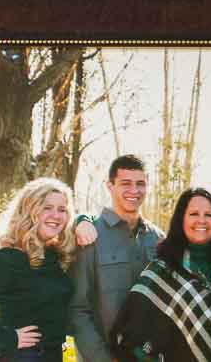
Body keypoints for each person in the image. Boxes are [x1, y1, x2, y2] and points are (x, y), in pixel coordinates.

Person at [0, 177, 80, 362]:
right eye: (47, 207)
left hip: (52, 355)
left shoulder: (53, 257)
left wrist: (84, 220)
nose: (56, 215)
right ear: (29, 210)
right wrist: (6, 338)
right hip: (21, 356)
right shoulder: (9, 258)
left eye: (62, 210)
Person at [110, 186, 211, 362]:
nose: (202, 220)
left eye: (209, 215)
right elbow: (131, 338)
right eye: (193, 214)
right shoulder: (161, 270)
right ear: (181, 220)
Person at [71, 153, 165, 362]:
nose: (134, 190)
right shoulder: (89, 236)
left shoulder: (157, 238)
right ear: (110, 186)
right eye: (125, 183)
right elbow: (78, 309)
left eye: (140, 184)